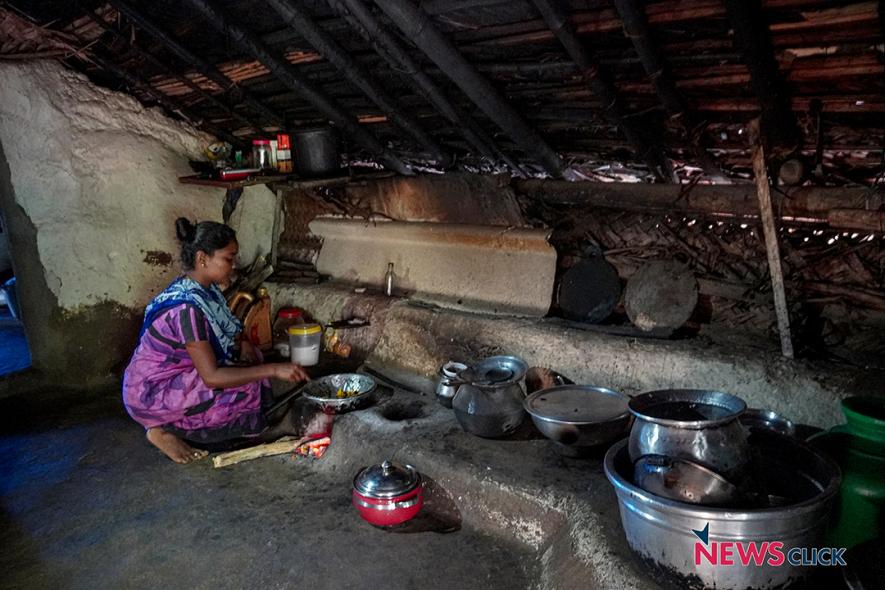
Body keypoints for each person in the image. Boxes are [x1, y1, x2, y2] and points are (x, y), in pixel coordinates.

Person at [123, 218, 311, 464]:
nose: (233, 267)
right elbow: (211, 377)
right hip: (152, 393)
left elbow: (229, 330)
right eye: (228, 259)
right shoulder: (186, 309)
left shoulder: (204, 289)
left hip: (174, 377)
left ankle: (189, 422)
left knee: (252, 362)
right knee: (243, 386)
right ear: (202, 258)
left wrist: (243, 344)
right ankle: (165, 431)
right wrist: (275, 369)